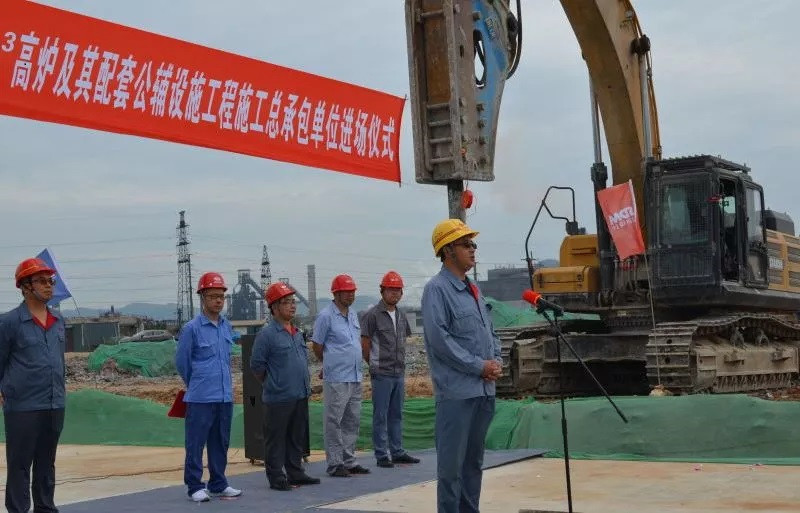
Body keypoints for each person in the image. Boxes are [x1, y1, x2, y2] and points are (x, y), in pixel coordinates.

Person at [421, 219, 502, 513]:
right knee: (451, 469)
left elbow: (489, 331)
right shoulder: (437, 290)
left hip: (483, 391)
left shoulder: (473, 289)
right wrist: (479, 366)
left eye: (473, 244)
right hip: (457, 395)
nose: (472, 249)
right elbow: (440, 341)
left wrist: (496, 361)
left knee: (472, 466)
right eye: (466, 244)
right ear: (448, 251)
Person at [0, 258, 66, 513]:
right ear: (25, 287)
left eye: (51, 281)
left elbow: (58, 360)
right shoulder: (9, 322)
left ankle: (45, 508)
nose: (49, 286)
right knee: (19, 464)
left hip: (54, 403)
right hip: (22, 406)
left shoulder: (58, 320)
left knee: (46, 463)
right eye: (41, 281)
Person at [175, 272, 242, 502]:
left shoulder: (226, 326)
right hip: (201, 397)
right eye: (213, 296)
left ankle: (218, 483)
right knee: (195, 443)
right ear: (202, 297)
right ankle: (195, 485)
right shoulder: (192, 328)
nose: (218, 301)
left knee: (220, 442)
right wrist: (197, 383)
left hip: (224, 396)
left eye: (221, 296)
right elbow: (182, 362)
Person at [250, 282, 320, 491]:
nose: (292, 306)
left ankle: (295, 472)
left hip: (300, 394)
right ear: (274, 307)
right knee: (276, 439)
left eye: (293, 302)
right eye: (286, 302)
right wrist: (274, 383)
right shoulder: (267, 335)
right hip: (278, 397)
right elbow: (257, 366)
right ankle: (276, 477)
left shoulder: (297, 333)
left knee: (296, 437)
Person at [311, 274, 370, 477]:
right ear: (335, 294)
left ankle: (349, 460)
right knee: (334, 421)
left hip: (354, 375)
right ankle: (335, 463)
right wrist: (329, 363)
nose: (350, 295)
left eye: (352, 292)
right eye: (346, 292)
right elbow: (317, 345)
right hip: (337, 377)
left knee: (352, 420)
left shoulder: (353, 314)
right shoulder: (325, 316)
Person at [360, 271, 420, 468]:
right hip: (382, 373)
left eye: (398, 290)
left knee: (396, 414)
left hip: (398, 372)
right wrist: (374, 364)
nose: (395, 293)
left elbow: (404, 340)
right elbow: (365, 344)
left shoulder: (401, 315)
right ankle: (381, 454)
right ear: (382, 291)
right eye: (390, 289)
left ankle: (397, 451)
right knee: (380, 415)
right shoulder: (372, 315)